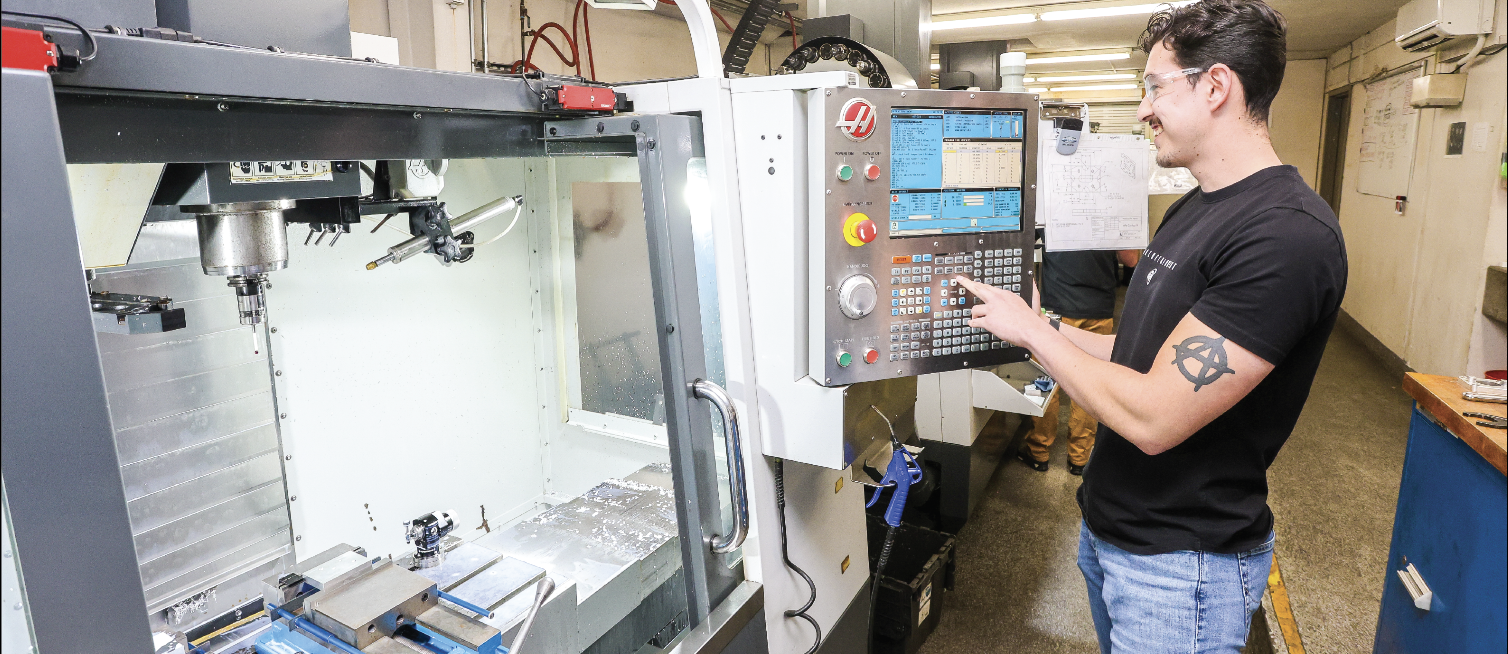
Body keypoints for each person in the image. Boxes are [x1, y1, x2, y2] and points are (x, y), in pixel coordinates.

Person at [955, 1, 1347, 651]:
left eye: (1156, 87)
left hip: (1182, 568)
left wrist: (1034, 336)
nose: (1143, 109)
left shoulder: (1285, 236)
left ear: (1216, 86)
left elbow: (1157, 415)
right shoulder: (1197, 207)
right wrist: (1040, 318)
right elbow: (1138, 354)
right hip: (1115, 533)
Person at [1019, 249, 1140, 475]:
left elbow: (1022, 245)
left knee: (1044, 381)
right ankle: (1079, 457)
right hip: (1098, 308)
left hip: (1056, 306)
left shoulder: (1049, 211)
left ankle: (1038, 451)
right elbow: (1130, 259)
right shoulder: (1115, 212)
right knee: (1090, 383)